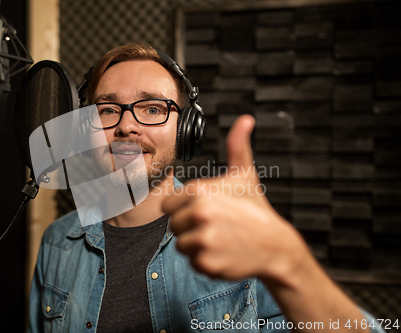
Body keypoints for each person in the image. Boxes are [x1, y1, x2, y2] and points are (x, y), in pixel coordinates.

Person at [28, 43, 384, 333]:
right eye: (107, 110)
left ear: (187, 131)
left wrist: (289, 261)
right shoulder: (58, 242)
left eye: (152, 108)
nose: (127, 126)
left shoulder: (236, 238)